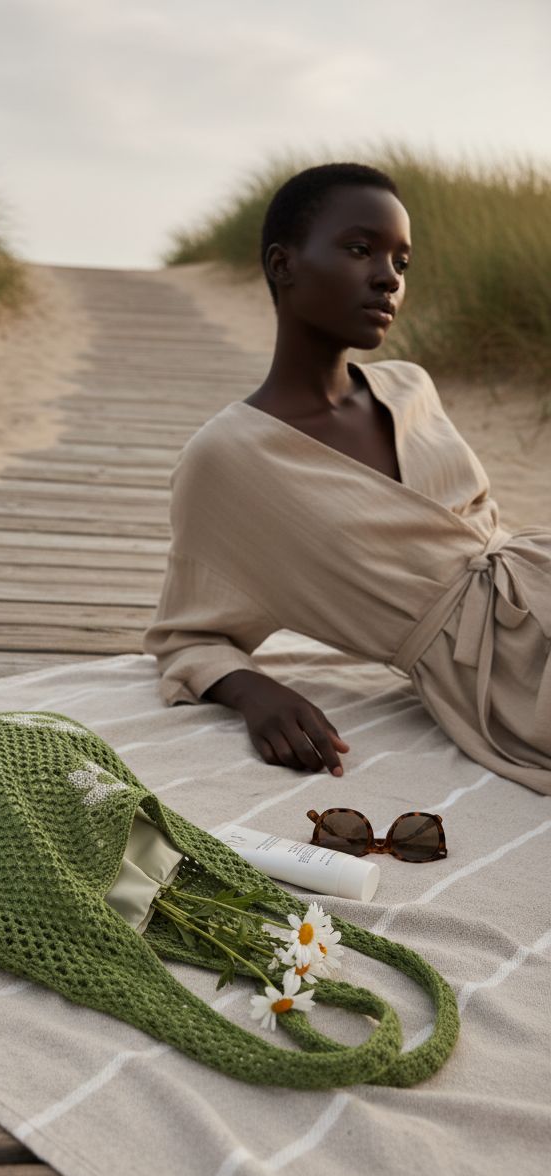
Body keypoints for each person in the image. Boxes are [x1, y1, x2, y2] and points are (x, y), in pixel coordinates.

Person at [142, 162, 551, 797]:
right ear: (283, 265)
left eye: (402, 262)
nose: (388, 277)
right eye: (361, 249)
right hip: (502, 682)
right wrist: (255, 692)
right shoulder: (228, 458)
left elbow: (483, 537)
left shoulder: (410, 386)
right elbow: (185, 633)